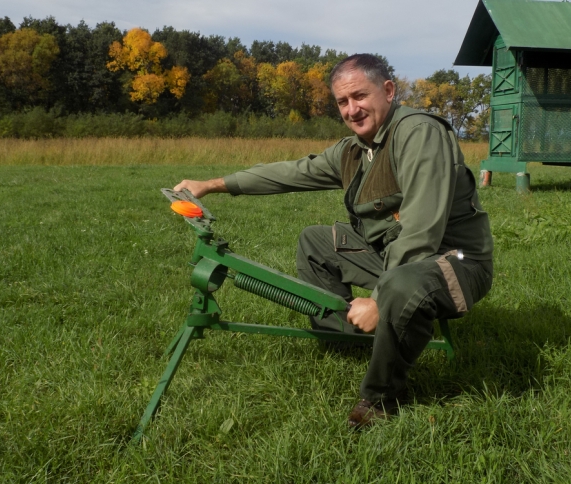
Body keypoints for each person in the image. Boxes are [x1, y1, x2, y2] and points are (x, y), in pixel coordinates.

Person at [174, 54, 493, 429]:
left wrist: (377, 300)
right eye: (343, 101)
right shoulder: (355, 150)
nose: (352, 109)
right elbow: (292, 172)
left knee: (401, 283)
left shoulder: (418, 133)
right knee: (316, 241)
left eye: (360, 96)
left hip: (453, 263)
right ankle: (351, 337)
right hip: (396, 256)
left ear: (388, 91)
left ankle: (380, 400)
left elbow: (422, 232)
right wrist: (212, 185)